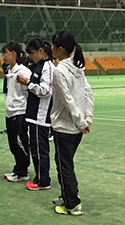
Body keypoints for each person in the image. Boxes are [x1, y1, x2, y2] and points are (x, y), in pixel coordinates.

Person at [50, 31, 94, 215]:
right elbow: (88, 93)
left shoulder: (60, 71)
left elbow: (68, 101)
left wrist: (81, 121)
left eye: (53, 45)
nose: (50, 48)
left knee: (64, 165)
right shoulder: (78, 67)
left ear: (60, 49)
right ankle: (66, 195)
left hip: (65, 127)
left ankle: (72, 203)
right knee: (64, 162)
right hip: (76, 127)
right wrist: (87, 118)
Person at [17, 37, 55, 190]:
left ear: (41, 51)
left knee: (40, 149)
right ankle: (39, 178)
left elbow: (46, 91)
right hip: (33, 114)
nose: (30, 57)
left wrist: (28, 83)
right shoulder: (37, 66)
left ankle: (43, 181)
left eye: (32, 53)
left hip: (41, 116)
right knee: (35, 148)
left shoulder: (48, 67)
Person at [1, 42, 32, 182]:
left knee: (20, 143)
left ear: (13, 53)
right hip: (10, 112)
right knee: (13, 143)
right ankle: (18, 168)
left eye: (5, 53)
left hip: (20, 112)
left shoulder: (22, 71)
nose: (3, 56)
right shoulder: (10, 71)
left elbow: (30, 91)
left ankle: (23, 171)